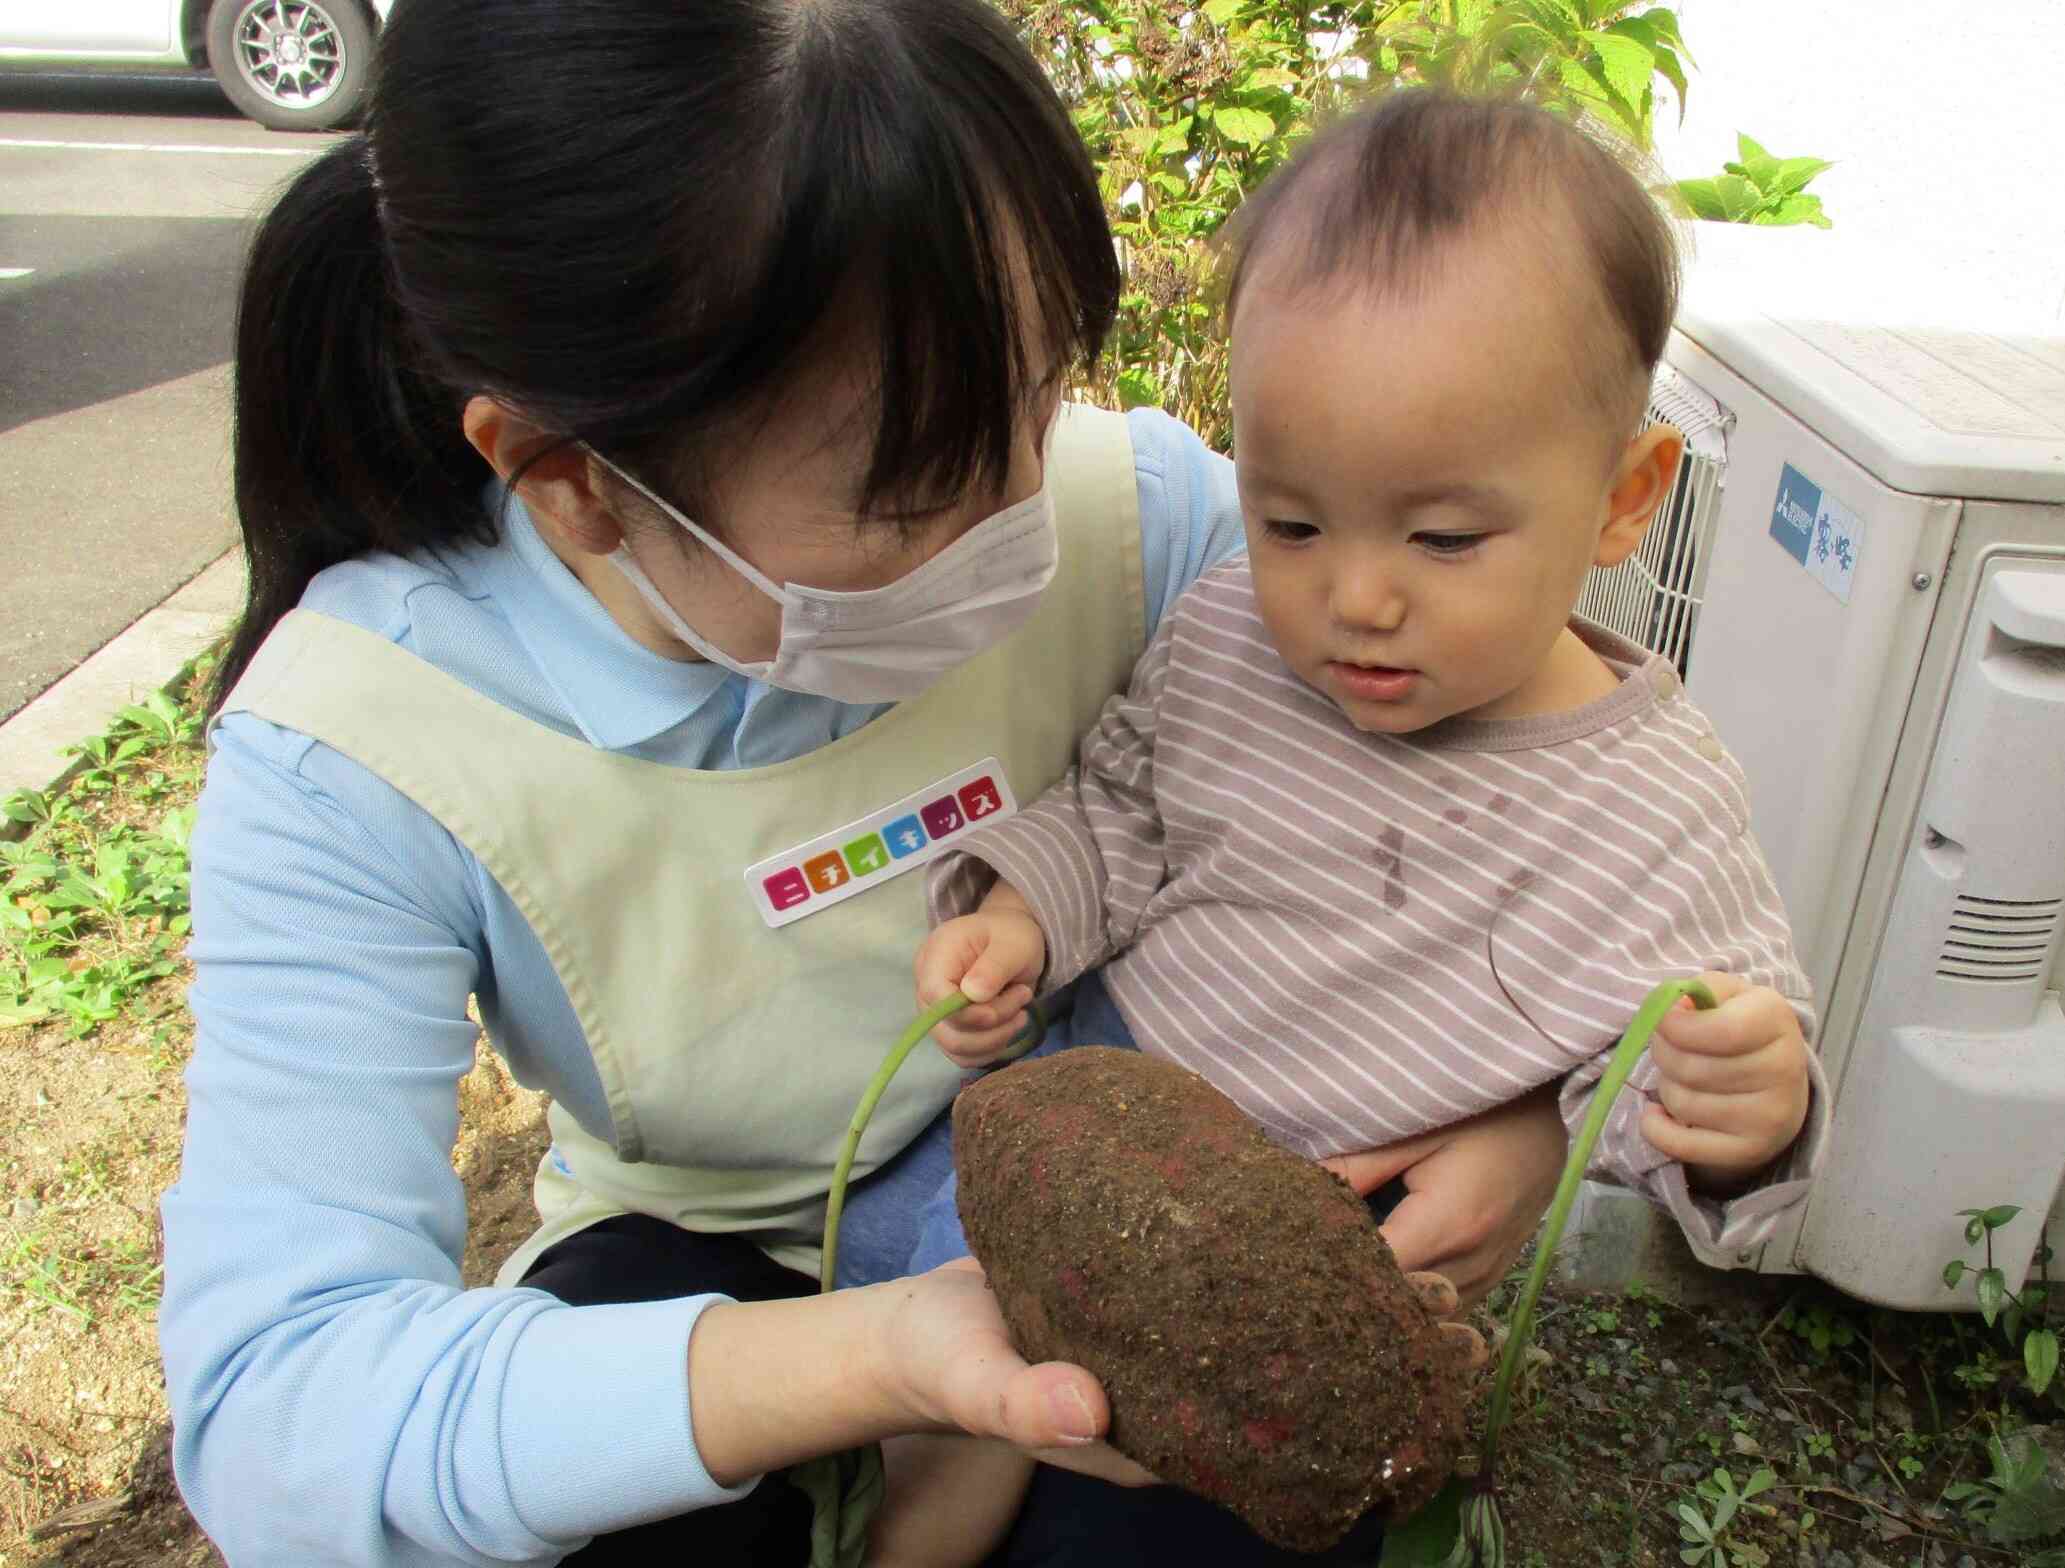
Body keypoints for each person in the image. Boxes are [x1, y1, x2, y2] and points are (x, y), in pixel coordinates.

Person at [157, 6, 1577, 1566]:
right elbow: (282, 1412)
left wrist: (1524, 1108)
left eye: (1033, 399)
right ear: (570, 482)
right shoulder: (362, 748)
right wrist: (896, 1359)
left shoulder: (1152, 522)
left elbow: (1542, 744)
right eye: (915, 490)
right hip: (716, 1255)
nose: (1021, 514)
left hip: (1142, 1202)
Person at [872, 92, 1831, 1568]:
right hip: (1086, 1138)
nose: (1355, 599)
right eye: (1292, 523)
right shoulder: (1234, 647)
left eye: (1444, 538)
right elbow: (1125, 807)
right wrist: (1022, 916)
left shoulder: (1649, 809)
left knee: (1236, 1522)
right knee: (949, 1408)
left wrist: (1742, 1114)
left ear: (1624, 497)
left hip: (1308, 1267)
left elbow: (1662, 1069)